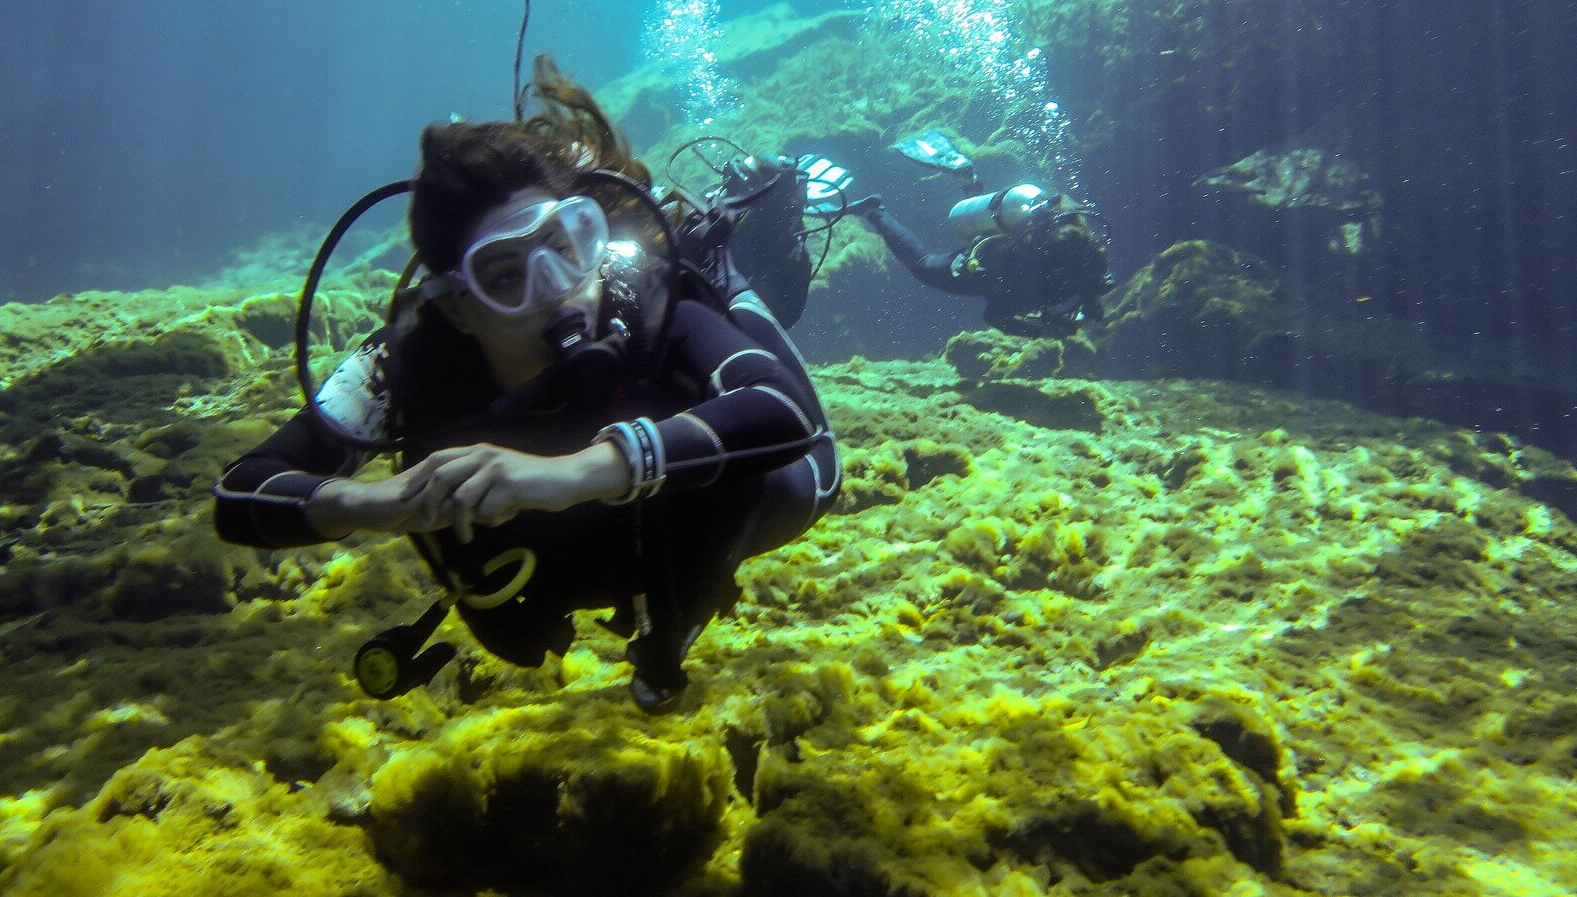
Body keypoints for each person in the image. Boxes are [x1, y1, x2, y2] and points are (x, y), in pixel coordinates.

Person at [212, 59, 839, 713]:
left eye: (566, 245)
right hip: (573, 556)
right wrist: (376, 502)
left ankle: (721, 262)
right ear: (456, 304)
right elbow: (238, 491)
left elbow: (784, 413)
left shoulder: (646, 305)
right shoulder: (409, 363)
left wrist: (571, 474)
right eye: (505, 277)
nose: (559, 290)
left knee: (809, 483)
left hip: (683, 513)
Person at [840, 132, 1113, 338]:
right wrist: (1043, 330)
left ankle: (970, 183)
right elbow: (996, 318)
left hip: (1009, 231)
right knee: (923, 266)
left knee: (989, 226)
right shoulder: (1029, 284)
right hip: (985, 261)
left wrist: (1086, 306)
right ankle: (874, 211)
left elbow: (1089, 282)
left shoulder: (1083, 252)